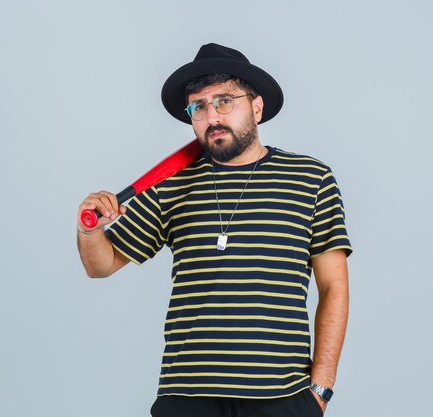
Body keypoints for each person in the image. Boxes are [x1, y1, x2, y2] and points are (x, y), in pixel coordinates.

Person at [77, 43, 352, 417]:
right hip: (188, 397)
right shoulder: (172, 184)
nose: (212, 117)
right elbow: (101, 264)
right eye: (199, 107)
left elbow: (334, 286)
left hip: (281, 397)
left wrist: (320, 388)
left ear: (256, 107)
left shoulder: (311, 179)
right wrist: (89, 229)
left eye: (225, 101)